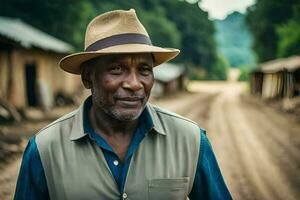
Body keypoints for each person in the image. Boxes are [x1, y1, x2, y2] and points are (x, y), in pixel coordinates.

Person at [14, 9, 232, 200]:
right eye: (117, 69)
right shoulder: (45, 149)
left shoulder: (191, 140)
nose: (134, 84)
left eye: (144, 70)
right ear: (88, 77)